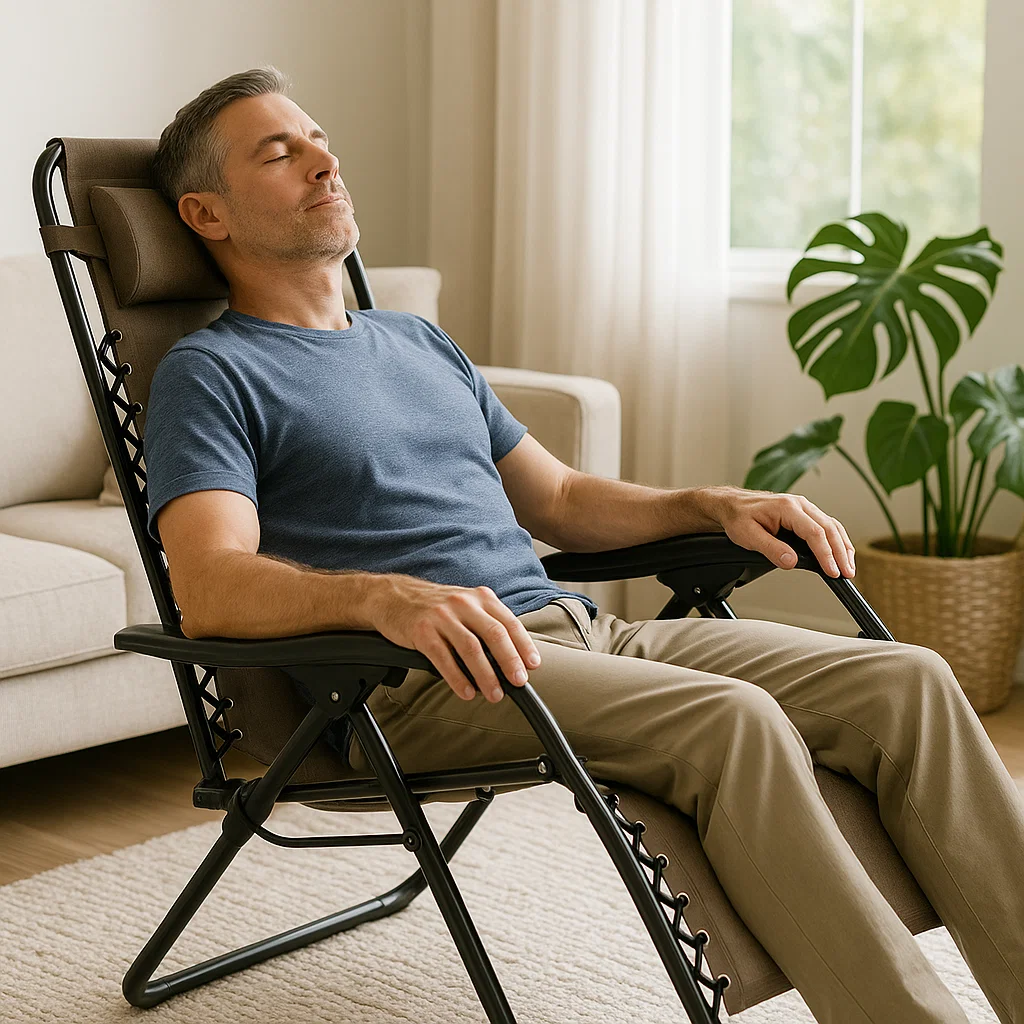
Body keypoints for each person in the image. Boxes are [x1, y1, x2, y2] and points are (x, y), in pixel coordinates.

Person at [143, 67, 1024, 1024]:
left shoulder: (417, 343)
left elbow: (557, 499)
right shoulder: (212, 374)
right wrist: (382, 598)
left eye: (318, 137)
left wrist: (710, 502)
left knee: (910, 682)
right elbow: (210, 584)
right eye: (281, 153)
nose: (325, 159)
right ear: (208, 213)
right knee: (733, 721)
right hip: (420, 678)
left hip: (582, 636)